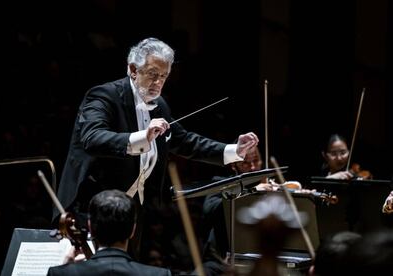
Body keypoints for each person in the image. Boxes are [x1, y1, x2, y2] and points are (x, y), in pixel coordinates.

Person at [54, 37, 259, 259]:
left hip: (131, 213)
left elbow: (185, 141)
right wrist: (144, 136)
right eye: (152, 73)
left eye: (163, 76)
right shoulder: (103, 96)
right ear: (133, 69)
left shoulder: (159, 106)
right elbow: (92, 138)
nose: (158, 82)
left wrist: (234, 151)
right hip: (91, 208)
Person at [47, 189, 172, 275]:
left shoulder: (59, 273)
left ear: (90, 227)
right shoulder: (159, 274)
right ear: (133, 230)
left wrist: (66, 268)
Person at [201, 144, 272, 275]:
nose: (252, 167)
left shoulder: (269, 186)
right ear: (234, 165)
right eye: (245, 163)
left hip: (256, 262)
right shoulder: (221, 184)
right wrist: (251, 192)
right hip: (221, 261)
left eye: (256, 161)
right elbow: (209, 210)